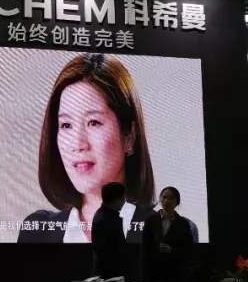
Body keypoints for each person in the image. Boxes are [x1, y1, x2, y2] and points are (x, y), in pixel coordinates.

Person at [19, 54, 155, 243]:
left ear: (129, 136)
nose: (78, 144)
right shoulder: (37, 232)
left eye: (93, 122)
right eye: (66, 125)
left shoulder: (164, 231)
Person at [141, 186, 195, 282]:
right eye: (164, 197)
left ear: (177, 202)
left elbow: (188, 249)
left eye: (170, 198)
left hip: (175, 273)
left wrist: (172, 250)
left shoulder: (183, 223)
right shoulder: (151, 220)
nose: (166, 201)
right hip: (154, 272)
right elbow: (145, 247)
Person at [91, 182, 128, 278]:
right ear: (116, 200)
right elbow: (106, 252)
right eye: (123, 199)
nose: (124, 202)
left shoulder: (105, 214)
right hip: (109, 275)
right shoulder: (105, 219)